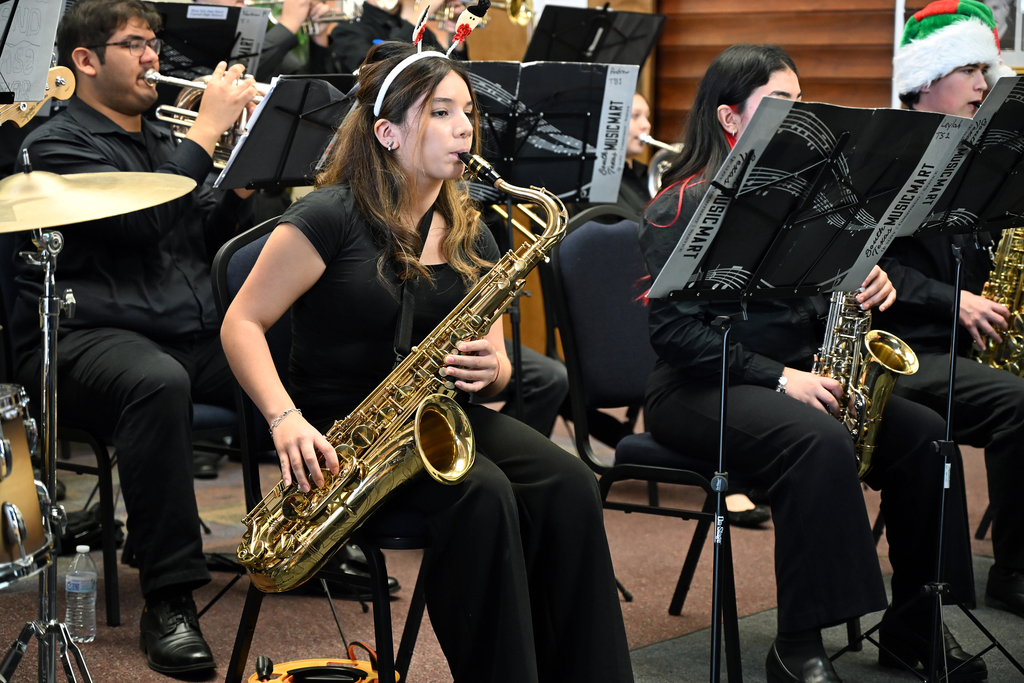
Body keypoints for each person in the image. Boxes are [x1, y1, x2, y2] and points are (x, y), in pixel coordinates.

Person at [220, 40, 633, 683]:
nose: (464, 127)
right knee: (485, 496)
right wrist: (285, 420)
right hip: (339, 434)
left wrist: (488, 371)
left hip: (435, 413)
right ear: (387, 132)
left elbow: (496, 367)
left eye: (466, 111)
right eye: (440, 112)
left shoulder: (473, 229)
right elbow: (242, 323)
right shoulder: (327, 217)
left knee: (572, 482)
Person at [638, 44, 982, 682]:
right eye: (781, 104)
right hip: (700, 383)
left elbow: (819, 306)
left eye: (802, 104)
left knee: (928, 437)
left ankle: (915, 625)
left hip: (798, 375)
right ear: (731, 119)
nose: (800, 119)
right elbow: (674, 336)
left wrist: (862, 281)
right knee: (815, 439)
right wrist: (781, 378)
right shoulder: (681, 205)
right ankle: (797, 645)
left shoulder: (811, 203)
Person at [7, 0, 258, 674]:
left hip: (178, 326)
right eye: (137, 44)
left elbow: (203, 238)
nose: (155, 58)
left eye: (155, 43)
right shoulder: (54, 144)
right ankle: (170, 600)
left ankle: (316, 538)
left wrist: (239, 183)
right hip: (83, 338)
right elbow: (138, 226)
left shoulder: (157, 140)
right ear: (85, 61)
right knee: (157, 381)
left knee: (285, 354)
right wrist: (206, 135)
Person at [877, 0, 1024, 621]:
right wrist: (955, 301)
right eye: (970, 70)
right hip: (907, 349)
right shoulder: (884, 155)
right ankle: (1014, 571)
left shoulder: (974, 156)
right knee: (1019, 404)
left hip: (959, 346)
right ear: (929, 78)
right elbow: (869, 270)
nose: (983, 85)